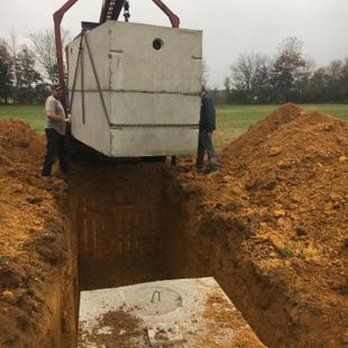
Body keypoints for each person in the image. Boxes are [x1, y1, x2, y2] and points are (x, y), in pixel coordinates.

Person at [41, 85, 70, 177]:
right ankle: (45, 174)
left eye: (61, 91)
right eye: (58, 90)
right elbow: (49, 115)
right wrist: (64, 120)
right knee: (52, 152)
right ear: (52, 91)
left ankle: (64, 171)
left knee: (62, 151)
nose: (60, 92)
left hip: (59, 131)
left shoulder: (56, 101)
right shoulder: (51, 100)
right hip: (53, 130)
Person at [196, 85, 218, 173]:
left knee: (209, 148)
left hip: (205, 128)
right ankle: (199, 167)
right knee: (200, 149)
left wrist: (210, 129)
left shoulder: (207, 99)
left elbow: (210, 115)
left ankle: (214, 169)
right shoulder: (202, 99)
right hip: (201, 128)